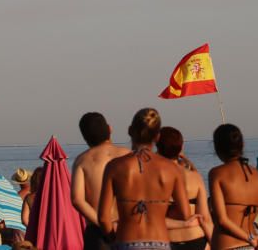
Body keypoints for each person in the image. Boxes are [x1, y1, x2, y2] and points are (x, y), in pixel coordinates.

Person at [99, 107, 195, 250]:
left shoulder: (114, 167)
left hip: (127, 241)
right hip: (160, 242)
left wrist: (113, 240)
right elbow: (185, 213)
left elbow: (103, 218)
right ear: (157, 137)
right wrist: (159, 206)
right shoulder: (171, 169)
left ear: (130, 130)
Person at [71, 111, 131, 249]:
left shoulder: (82, 161)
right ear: (110, 129)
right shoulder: (128, 155)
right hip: (128, 228)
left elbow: (77, 200)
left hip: (98, 231)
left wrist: (104, 224)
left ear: (85, 137)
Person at [208, 123, 258, 250]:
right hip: (252, 246)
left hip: (227, 245)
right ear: (242, 145)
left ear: (216, 148)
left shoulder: (216, 174)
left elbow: (222, 219)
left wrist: (249, 238)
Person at [157, 125, 213, 249]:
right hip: (196, 239)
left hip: (167, 240)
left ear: (158, 148)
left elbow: (152, 219)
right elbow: (205, 218)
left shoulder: (153, 178)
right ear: (181, 147)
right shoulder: (195, 177)